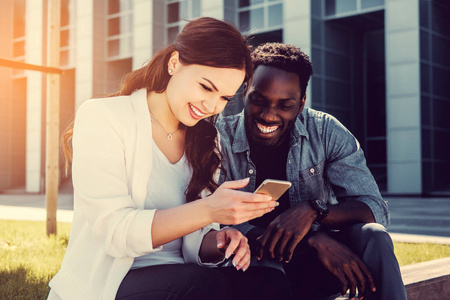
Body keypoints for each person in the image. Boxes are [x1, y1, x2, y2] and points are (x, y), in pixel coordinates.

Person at [48, 19, 294, 300]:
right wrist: (209, 210)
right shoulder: (104, 117)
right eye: (205, 87)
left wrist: (219, 240)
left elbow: (194, 240)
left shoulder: (206, 138)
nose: (212, 106)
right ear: (174, 63)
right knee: (203, 285)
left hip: (183, 276)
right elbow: (114, 233)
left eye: (225, 97)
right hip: (112, 282)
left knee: (268, 281)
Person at [216, 42, 407, 300]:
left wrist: (314, 210)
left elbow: (375, 209)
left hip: (324, 263)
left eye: (284, 105)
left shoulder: (326, 131)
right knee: (262, 271)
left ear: (301, 102)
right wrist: (314, 241)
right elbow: (217, 223)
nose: (268, 116)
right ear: (245, 91)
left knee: (375, 236)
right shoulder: (219, 139)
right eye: (258, 101)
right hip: (255, 265)